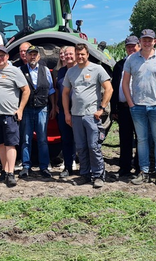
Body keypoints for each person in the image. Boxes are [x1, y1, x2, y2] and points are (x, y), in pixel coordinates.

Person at [122, 29, 156, 187]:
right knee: (142, 141)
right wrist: (131, 103)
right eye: (144, 40)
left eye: (149, 40)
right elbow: (125, 83)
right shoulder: (131, 59)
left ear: (154, 41)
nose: (146, 42)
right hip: (138, 106)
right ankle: (143, 172)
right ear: (140, 41)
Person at [63, 43, 113, 188]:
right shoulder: (71, 72)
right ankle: (84, 174)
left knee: (93, 146)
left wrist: (101, 108)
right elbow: (65, 93)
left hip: (92, 115)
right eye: (77, 54)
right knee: (81, 146)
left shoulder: (97, 69)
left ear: (87, 54)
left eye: (82, 54)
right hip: (76, 115)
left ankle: (98, 175)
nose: (80, 57)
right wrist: (67, 112)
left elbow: (109, 89)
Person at [0, 45, 30, 187]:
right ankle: (4, 170)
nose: (0, 58)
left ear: (7, 57)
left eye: (3, 55)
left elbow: (26, 90)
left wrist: (20, 109)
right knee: (0, 143)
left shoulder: (14, 71)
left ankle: (11, 173)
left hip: (9, 114)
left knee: (11, 144)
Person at [19, 45, 56, 178]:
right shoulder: (20, 70)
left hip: (42, 108)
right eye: (30, 54)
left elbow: (51, 89)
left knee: (42, 139)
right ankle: (26, 166)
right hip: (27, 108)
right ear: (26, 56)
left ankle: (44, 167)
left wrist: (53, 106)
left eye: (35, 54)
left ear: (39, 56)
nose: (32, 56)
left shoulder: (45, 70)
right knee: (26, 139)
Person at [111, 36, 141, 180]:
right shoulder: (119, 65)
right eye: (128, 46)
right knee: (125, 139)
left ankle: (140, 168)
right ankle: (124, 168)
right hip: (123, 108)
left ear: (139, 46)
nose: (131, 48)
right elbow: (114, 87)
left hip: (140, 107)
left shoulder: (143, 63)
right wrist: (114, 108)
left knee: (141, 138)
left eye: (133, 46)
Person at [55, 45, 77, 179]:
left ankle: (86, 168)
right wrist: (56, 104)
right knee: (67, 139)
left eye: (71, 54)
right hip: (64, 110)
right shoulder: (61, 71)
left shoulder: (81, 70)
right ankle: (68, 167)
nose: (68, 56)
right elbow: (58, 88)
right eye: (66, 54)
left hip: (79, 110)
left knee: (82, 140)